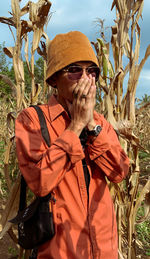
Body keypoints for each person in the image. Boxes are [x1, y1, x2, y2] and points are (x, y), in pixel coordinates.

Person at [15, 31, 129, 259]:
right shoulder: (32, 119)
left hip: (104, 249)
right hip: (61, 251)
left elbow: (119, 172)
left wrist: (91, 126)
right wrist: (75, 126)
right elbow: (40, 182)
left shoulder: (100, 123)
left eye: (92, 71)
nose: (86, 78)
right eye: (75, 70)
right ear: (54, 79)